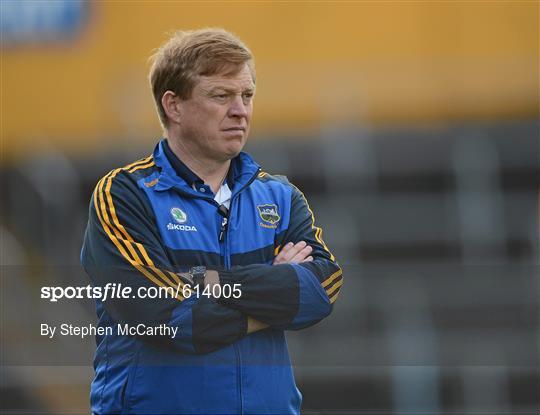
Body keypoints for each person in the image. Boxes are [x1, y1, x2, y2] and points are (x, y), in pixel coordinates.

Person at [81, 28, 343, 414]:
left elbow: (322, 290)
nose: (240, 110)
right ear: (174, 106)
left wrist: (210, 283)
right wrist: (273, 287)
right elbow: (171, 319)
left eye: (247, 95)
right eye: (221, 96)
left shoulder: (281, 196)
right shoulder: (123, 195)